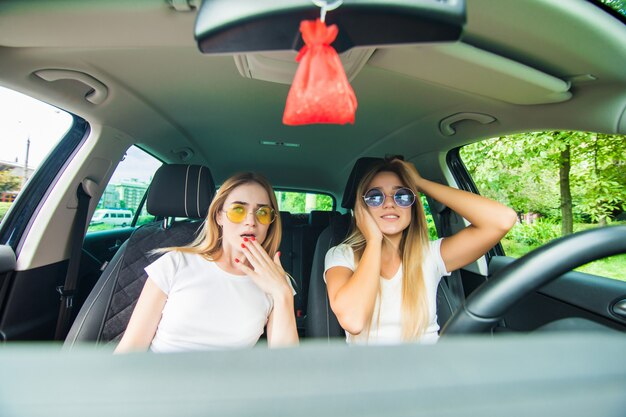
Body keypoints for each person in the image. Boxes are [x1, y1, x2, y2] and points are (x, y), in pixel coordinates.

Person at [324, 158, 517, 345]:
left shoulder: (430, 255)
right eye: (375, 197)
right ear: (362, 209)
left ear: (413, 206)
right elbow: (353, 320)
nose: (390, 203)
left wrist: (420, 183)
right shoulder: (342, 255)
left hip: (429, 369)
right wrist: (374, 241)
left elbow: (502, 220)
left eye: (402, 195)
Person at [115, 172, 299, 353]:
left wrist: (282, 293)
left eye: (263, 212)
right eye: (238, 210)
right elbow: (131, 348)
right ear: (219, 216)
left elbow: (287, 365)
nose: (251, 221)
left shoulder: (277, 281)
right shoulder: (175, 263)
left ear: (271, 222)